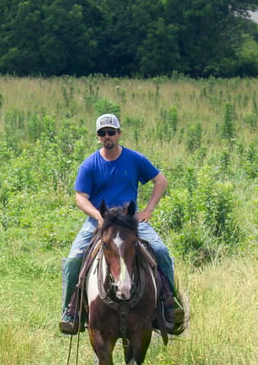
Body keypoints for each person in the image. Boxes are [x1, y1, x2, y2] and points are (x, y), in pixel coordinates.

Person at [59, 113, 183, 335]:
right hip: (99, 221)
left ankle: (169, 304)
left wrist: (148, 210)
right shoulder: (90, 164)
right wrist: (97, 216)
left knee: (161, 251)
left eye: (111, 132)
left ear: (119, 133)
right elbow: (80, 197)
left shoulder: (135, 159)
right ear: (98, 136)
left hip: (129, 221)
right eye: (102, 133)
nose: (107, 136)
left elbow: (161, 181)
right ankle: (71, 311)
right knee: (73, 259)